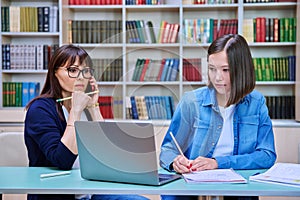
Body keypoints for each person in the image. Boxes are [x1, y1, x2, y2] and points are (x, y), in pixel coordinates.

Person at [159, 34, 277, 200]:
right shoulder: (191, 101)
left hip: (239, 190)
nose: (217, 77)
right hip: (193, 190)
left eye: (225, 70)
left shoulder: (256, 103)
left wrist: (218, 163)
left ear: (242, 69)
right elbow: (167, 150)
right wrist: (174, 162)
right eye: (212, 68)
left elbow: (267, 155)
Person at [24, 44, 148, 200]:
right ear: (55, 73)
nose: (81, 77)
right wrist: (75, 112)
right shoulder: (40, 110)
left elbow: (109, 157)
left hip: (89, 192)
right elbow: (62, 160)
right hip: (58, 194)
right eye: (73, 70)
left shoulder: (85, 105)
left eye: (86, 71)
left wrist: (94, 108)